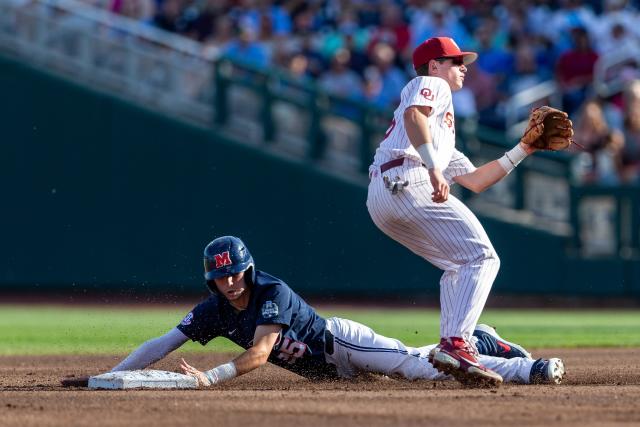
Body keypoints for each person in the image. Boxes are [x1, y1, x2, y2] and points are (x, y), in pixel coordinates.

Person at [83, 236, 564, 388]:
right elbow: (164, 343)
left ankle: (520, 364)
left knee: (424, 371)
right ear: (210, 279)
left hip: (341, 342)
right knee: (420, 366)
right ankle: (478, 337)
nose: (229, 282)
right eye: (220, 276)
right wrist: (108, 375)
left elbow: (260, 352)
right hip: (332, 373)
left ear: (248, 271)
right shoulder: (213, 310)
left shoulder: (271, 290)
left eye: (235, 274)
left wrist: (208, 378)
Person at [365, 37, 547, 385]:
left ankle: (453, 349)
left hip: (386, 195)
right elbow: (414, 113)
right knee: (483, 258)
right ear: (434, 65)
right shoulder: (429, 83)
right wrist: (433, 167)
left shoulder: (443, 131)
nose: (463, 67)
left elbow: (477, 180)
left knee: (460, 264)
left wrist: (525, 148)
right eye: (455, 61)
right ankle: (456, 344)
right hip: (408, 176)